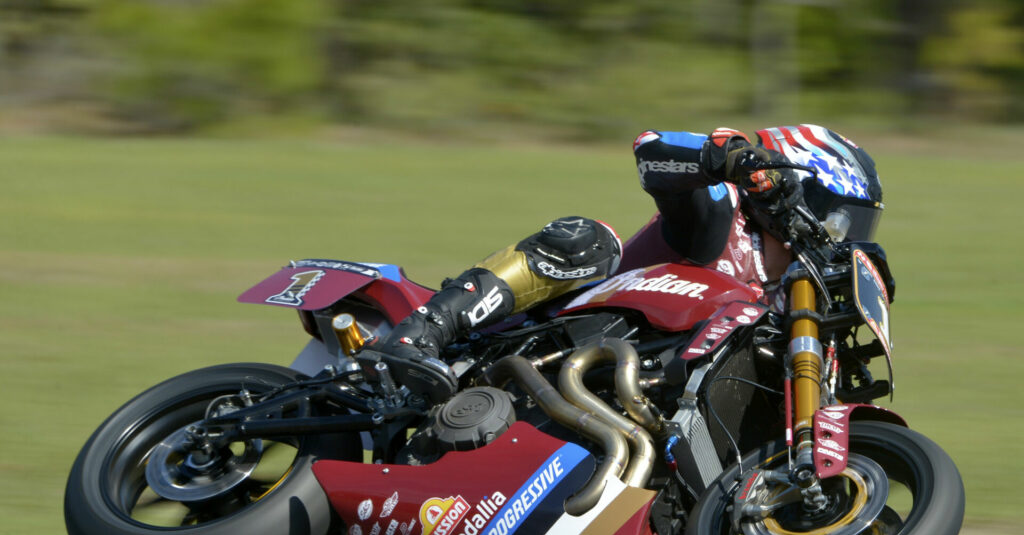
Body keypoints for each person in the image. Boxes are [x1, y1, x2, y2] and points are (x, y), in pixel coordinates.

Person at [374, 125, 884, 398]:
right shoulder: (722, 215)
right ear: (797, 187)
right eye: (840, 218)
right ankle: (423, 332)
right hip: (561, 330)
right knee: (592, 239)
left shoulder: (794, 299)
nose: (843, 237)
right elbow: (649, 151)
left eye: (859, 228)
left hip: (636, 392)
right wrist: (723, 159)